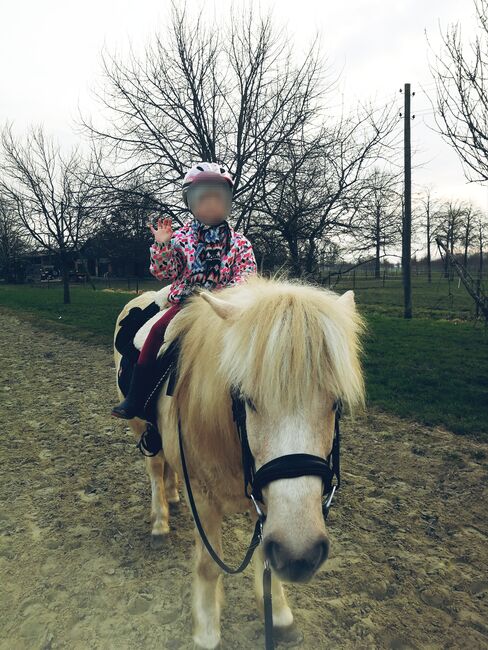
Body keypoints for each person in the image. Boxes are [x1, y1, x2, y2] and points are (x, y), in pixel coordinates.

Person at [111, 162, 258, 420]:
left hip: (222, 307)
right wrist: (163, 246)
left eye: (219, 197)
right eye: (204, 198)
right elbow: (164, 273)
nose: (212, 204)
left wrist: (233, 297)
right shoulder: (182, 239)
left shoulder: (240, 243)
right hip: (187, 304)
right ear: (191, 202)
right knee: (157, 332)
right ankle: (137, 395)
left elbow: (246, 274)